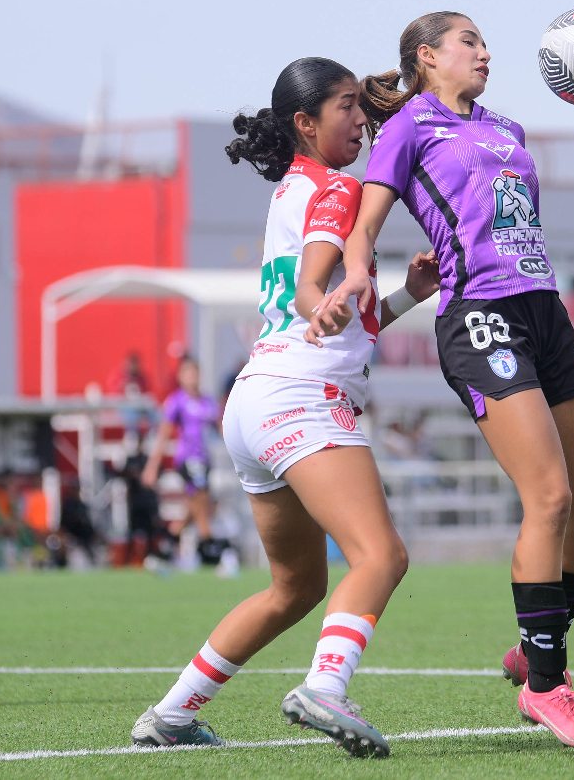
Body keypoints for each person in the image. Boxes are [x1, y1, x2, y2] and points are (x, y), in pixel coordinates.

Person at [315, 13, 574, 750]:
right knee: (549, 496)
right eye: (469, 43)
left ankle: (532, 646)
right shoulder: (409, 128)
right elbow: (363, 225)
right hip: (479, 319)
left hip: (543, 317)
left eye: (485, 44)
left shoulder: (508, 129)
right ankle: (546, 686)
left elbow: (528, 241)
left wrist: (570, 345)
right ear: (427, 57)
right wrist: (356, 271)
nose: (486, 53)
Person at [130, 57, 439, 757]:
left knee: (295, 586)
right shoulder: (335, 187)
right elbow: (311, 290)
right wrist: (321, 303)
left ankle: (172, 713)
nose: (360, 118)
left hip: (254, 401)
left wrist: (403, 296)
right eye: (345, 107)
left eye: (361, 106)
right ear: (305, 122)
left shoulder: (291, 192)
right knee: (381, 555)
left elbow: (331, 313)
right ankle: (325, 687)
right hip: (301, 397)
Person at [142, 356, 219, 557]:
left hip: (205, 459)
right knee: (200, 497)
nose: (192, 377)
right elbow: (164, 434)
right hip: (188, 458)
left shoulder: (207, 402)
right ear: (181, 377)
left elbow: (220, 429)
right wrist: (152, 466)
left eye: (195, 373)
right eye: (188, 373)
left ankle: (168, 541)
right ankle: (209, 545)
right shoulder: (177, 401)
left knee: (199, 504)